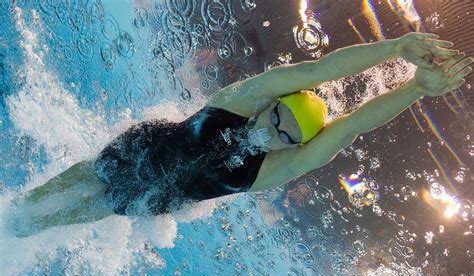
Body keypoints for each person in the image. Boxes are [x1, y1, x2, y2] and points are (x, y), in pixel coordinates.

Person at [11, 32, 473, 236]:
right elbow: (320, 68)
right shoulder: (239, 101)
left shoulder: (275, 168)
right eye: (276, 118)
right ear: (269, 104)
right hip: (144, 145)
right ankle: (21, 206)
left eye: (286, 137)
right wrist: (394, 49)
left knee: (97, 206)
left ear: (296, 148)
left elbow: (352, 126)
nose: (273, 134)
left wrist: (414, 89)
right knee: (90, 174)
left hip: (157, 197)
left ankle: (17, 230)